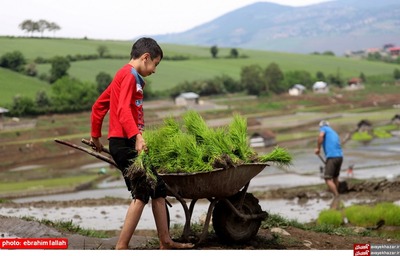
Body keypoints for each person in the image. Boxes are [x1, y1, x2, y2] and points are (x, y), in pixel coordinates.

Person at [89, 37, 193, 250]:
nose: (155, 70)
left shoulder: (126, 77)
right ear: (146, 58)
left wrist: (95, 136)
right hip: (124, 142)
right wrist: (137, 136)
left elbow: (99, 106)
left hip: (124, 140)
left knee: (158, 188)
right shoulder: (127, 76)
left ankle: (165, 241)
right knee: (142, 191)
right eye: (155, 64)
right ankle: (122, 246)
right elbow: (123, 111)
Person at [314, 120, 343, 197]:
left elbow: (320, 136)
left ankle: (336, 195)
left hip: (332, 157)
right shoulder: (334, 132)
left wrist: (318, 148)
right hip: (339, 157)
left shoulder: (324, 128)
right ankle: (336, 192)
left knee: (327, 179)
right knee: (335, 177)